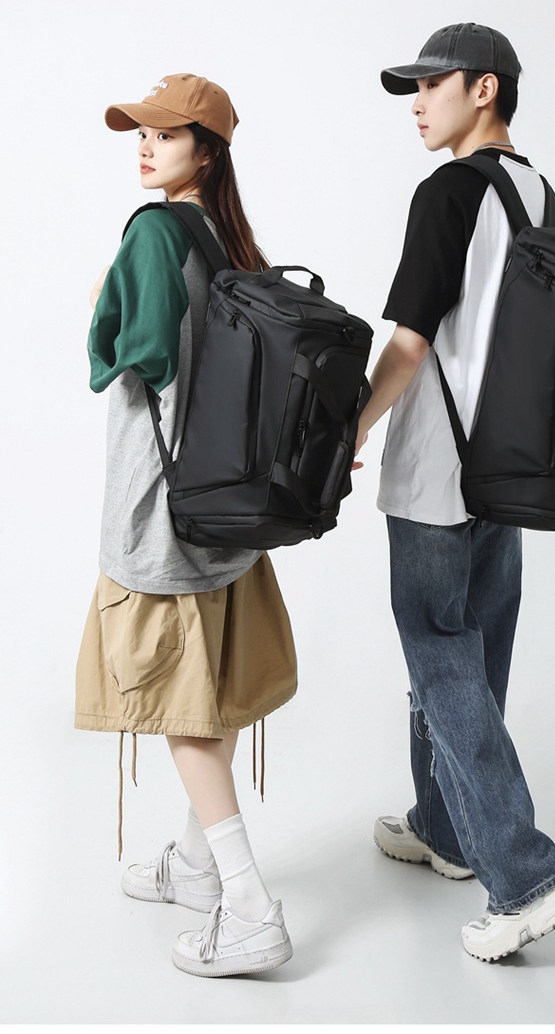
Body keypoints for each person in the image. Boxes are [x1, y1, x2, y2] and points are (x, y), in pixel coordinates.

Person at [355, 24, 555, 962]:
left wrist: (350, 427)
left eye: (431, 85)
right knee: (478, 651)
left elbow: (411, 344)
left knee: (440, 656)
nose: (417, 104)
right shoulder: (541, 192)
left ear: (483, 88)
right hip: (510, 467)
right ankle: (446, 829)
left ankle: (526, 877)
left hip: (436, 466)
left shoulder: (448, 191)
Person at [76, 73, 297, 977]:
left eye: (166, 134)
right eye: (142, 130)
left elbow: (134, 358)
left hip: (165, 501)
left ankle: (249, 907)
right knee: (208, 682)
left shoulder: (156, 232)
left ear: (206, 151)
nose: (145, 144)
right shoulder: (230, 239)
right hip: (227, 502)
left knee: (179, 703)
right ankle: (197, 867)